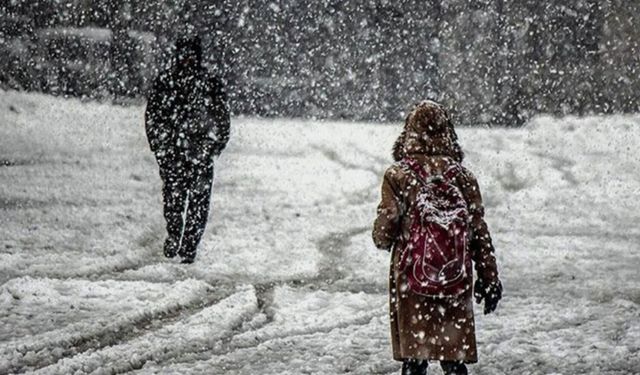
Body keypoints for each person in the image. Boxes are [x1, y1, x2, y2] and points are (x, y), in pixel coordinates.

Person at [372, 101, 502, 375]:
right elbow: (478, 231)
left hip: (412, 277)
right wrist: (489, 278)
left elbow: (386, 228)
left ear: (408, 133)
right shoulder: (463, 177)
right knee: (452, 357)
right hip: (454, 276)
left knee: (415, 358)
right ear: (448, 133)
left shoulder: (398, 175)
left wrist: (383, 238)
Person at [145, 35, 230, 264]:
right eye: (184, 55)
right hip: (174, 152)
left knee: (198, 203)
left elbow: (222, 119)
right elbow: (153, 117)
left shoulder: (209, 83)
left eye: (191, 55)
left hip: (199, 153)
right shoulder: (166, 82)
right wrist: (160, 146)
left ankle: (189, 245)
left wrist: (212, 147)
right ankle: (174, 234)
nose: (187, 60)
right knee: (174, 199)